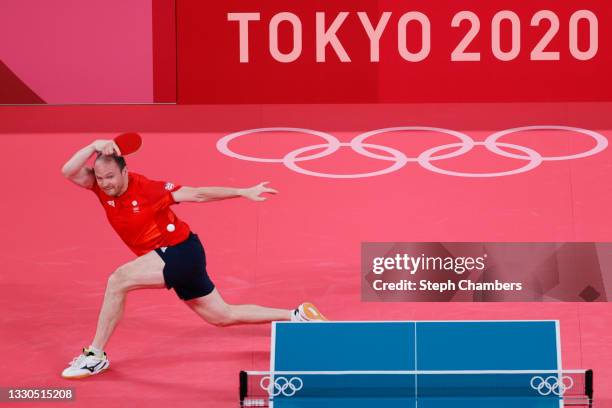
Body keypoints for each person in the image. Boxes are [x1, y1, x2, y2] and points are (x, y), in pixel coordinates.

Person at [60, 138, 326, 379]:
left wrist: (242, 191)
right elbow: (68, 171)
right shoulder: (101, 189)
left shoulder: (149, 190)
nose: (105, 183)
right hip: (173, 257)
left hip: (179, 251)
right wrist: (95, 145)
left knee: (118, 280)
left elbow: (197, 193)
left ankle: (95, 355)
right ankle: (297, 315)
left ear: (125, 172)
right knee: (222, 316)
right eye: (100, 177)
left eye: (110, 177)